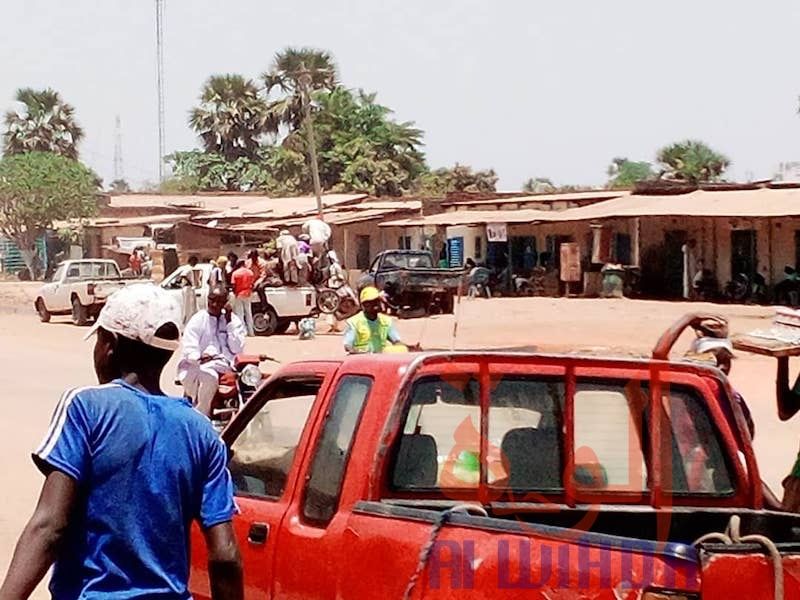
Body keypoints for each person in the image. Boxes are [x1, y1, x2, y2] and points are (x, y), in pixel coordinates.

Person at [0, 284, 243, 600]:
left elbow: (49, 526)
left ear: (109, 345)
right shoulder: (202, 432)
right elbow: (225, 555)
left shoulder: (86, 407)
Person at [178, 286, 247, 416]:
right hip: (201, 366)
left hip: (228, 365)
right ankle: (202, 416)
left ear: (226, 303)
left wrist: (229, 323)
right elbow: (189, 345)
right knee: (210, 377)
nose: (214, 304)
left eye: (219, 301)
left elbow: (237, 348)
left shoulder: (233, 320)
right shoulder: (198, 319)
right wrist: (197, 356)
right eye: (212, 300)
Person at [343, 286, 405, 354]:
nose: (376, 304)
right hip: (361, 358)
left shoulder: (386, 321)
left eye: (377, 301)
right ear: (363, 305)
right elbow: (348, 346)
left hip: (382, 357)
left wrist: (407, 348)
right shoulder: (354, 322)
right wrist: (360, 352)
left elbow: (396, 341)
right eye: (371, 302)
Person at [231, 260, 255, 337]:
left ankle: (243, 332)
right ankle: (251, 332)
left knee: (240, 313)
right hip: (248, 294)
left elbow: (233, 285)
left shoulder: (235, 273)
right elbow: (252, 284)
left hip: (239, 294)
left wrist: (235, 293)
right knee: (248, 313)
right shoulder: (250, 272)